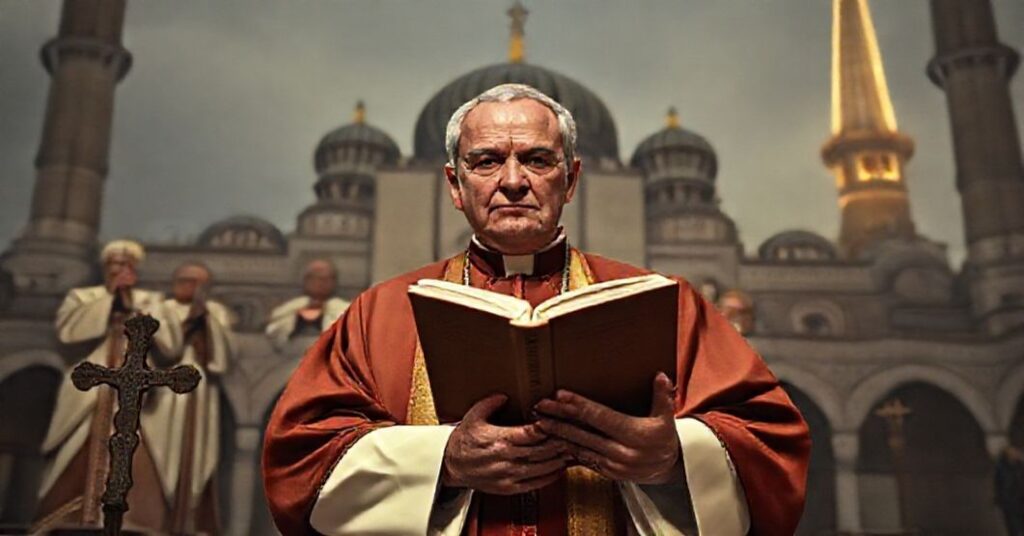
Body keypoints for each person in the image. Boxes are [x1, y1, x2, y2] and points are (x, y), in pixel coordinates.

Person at [262, 84, 810, 536]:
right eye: (486, 161)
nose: (513, 181)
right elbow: (301, 457)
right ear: (455, 184)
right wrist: (443, 459)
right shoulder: (380, 314)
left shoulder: (665, 301)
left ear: (570, 179)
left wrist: (674, 457)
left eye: (537, 159)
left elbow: (771, 441)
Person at [33, 240, 176, 532]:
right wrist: (109, 298)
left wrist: (141, 314)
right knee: (76, 454)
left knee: (138, 457)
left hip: (136, 397)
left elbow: (171, 346)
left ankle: (133, 523)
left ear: (135, 269)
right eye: (114, 264)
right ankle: (72, 518)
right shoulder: (84, 297)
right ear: (105, 268)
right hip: (91, 390)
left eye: (126, 265)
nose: (120, 269)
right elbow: (69, 333)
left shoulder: (151, 301)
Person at [145, 261, 233, 534]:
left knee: (197, 457)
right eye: (185, 280)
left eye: (198, 283)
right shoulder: (160, 309)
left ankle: (188, 519)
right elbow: (165, 348)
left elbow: (221, 358)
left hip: (200, 393)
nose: (191, 288)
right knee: (158, 455)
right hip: (163, 390)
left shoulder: (215, 312)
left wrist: (204, 317)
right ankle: (153, 518)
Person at [265, 259, 350, 348]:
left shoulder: (346, 310)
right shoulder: (287, 309)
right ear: (306, 280)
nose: (322, 282)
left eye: (327, 278)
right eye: (315, 277)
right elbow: (274, 337)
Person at [996, 445, 1024, 536]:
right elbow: (999, 484)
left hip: (1020, 499)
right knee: (1013, 527)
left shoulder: (1020, 466)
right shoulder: (1001, 467)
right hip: (1009, 502)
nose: (1016, 454)